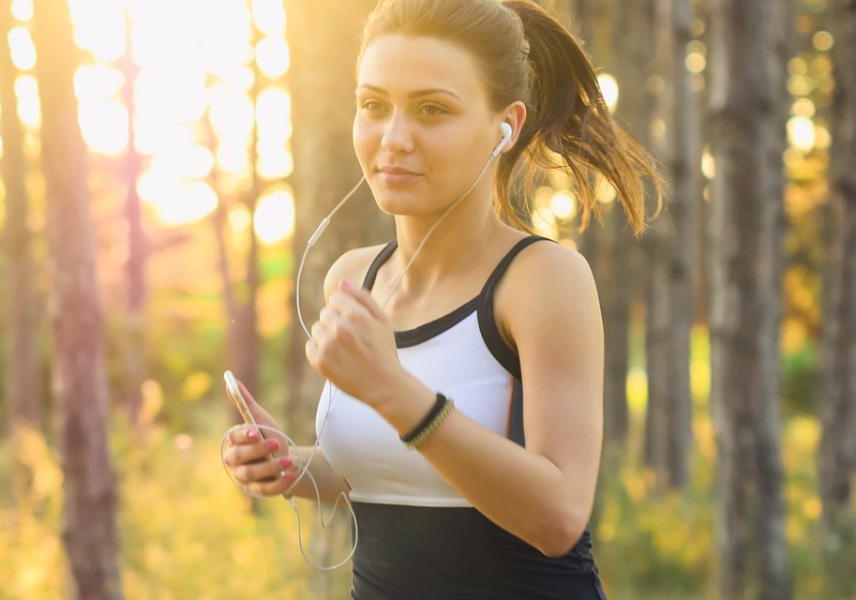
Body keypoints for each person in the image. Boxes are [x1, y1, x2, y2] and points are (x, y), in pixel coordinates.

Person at [221, 0, 662, 597]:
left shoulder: (542, 279)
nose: (393, 138)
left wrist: (394, 392)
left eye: (433, 109)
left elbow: (558, 517)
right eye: (374, 106)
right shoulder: (354, 279)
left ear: (504, 125)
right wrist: (294, 466)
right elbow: (392, 474)